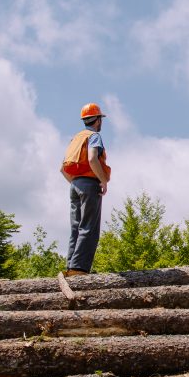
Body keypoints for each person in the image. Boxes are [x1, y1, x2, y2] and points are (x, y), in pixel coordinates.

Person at [60, 103, 111, 276]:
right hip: (89, 184)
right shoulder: (94, 136)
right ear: (98, 120)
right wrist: (103, 181)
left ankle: (71, 267)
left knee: (76, 228)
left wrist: (76, 183)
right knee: (89, 227)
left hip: (74, 185)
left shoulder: (75, 139)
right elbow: (92, 158)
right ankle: (79, 269)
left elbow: (62, 169)